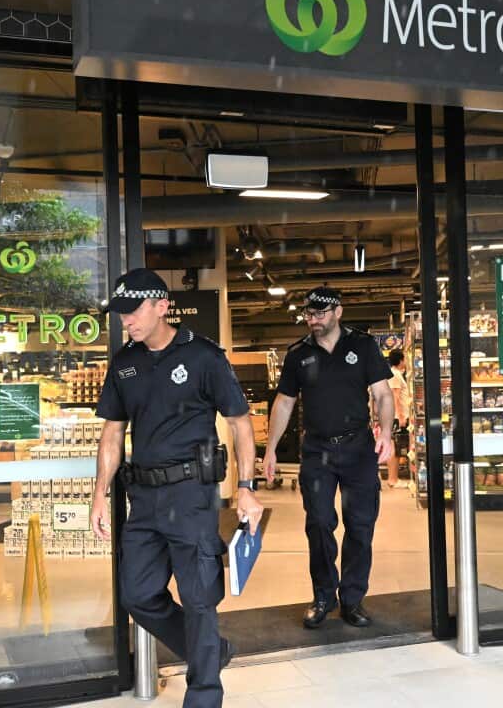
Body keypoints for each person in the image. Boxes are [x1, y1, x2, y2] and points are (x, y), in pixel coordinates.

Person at [89, 268, 263, 708]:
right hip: (143, 499)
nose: (125, 320)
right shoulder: (124, 363)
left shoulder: (204, 357)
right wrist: (99, 494)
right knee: (137, 595)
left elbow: (240, 423)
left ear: (162, 305)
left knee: (199, 599)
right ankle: (211, 651)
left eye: (133, 311)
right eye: (121, 313)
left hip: (191, 497)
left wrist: (246, 486)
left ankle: (203, 695)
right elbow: (112, 433)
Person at [262, 287, 394, 629]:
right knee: (319, 523)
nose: (313, 320)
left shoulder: (363, 346)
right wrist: (271, 448)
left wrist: (388, 436)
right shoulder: (298, 355)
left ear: (338, 311)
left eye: (320, 314)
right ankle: (323, 596)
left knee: (360, 525)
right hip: (317, 450)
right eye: (309, 314)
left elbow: (382, 394)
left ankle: (352, 599)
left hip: (359, 449)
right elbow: (285, 403)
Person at [383, 349, 413, 488]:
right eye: (405, 358)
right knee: (394, 447)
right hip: (396, 417)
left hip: (394, 416)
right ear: (400, 360)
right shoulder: (394, 375)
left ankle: (393, 479)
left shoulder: (395, 374)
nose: (406, 361)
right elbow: (394, 397)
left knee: (394, 446)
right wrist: (400, 416)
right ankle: (393, 479)